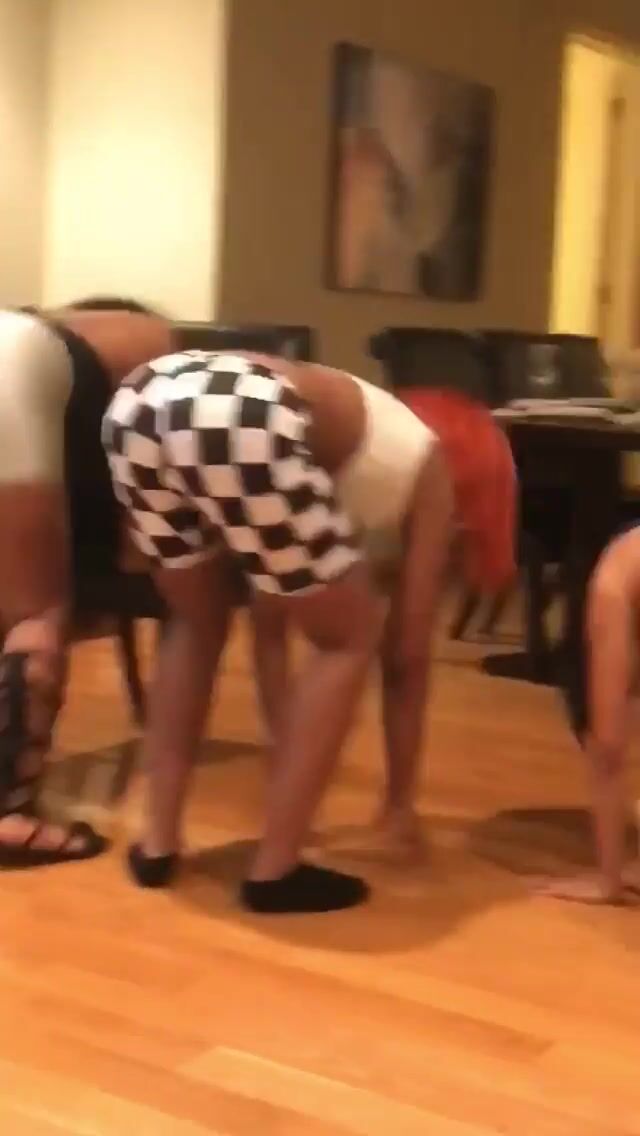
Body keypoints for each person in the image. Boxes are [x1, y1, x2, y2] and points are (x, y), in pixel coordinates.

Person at [102, 354, 516, 912]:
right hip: (238, 411)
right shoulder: (432, 467)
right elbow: (408, 654)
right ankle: (276, 870)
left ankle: (158, 844)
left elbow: (270, 625)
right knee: (351, 635)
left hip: (139, 403)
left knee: (194, 622)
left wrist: (287, 750)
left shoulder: (354, 440)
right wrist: (398, 803)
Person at [251, 384, 518, 859]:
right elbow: (272, 627)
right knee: (319, 633)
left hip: (389, 475)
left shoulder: (411, 469)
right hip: (351, 480)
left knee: (397, 652)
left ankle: (390, 810)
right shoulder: (345, 468)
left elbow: (406, 654)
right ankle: (366, 807)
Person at [0, 299, 173, 866]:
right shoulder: (151, 339)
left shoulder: (66, 329)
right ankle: (8, 812)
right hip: (9, 376)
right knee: (34, 614)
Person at [537, 526, 640, 905]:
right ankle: (610, 878)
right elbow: (608, 746)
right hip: (619, 584)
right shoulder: (614, 581)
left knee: (608, 742)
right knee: (607, 739)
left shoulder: (615, 579)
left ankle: (610, 879)